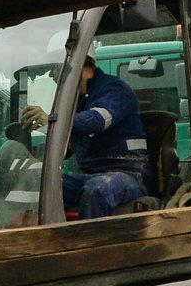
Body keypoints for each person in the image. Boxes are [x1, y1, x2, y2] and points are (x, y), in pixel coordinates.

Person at [20, 54, 149, 219]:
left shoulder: (115, 89)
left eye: (54, 67)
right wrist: (21, 153)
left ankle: (91, 243)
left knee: (98, 189)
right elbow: (64, 147)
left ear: (76, 64)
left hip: (128, 175)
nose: (51, 75)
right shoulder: (76, 102)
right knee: (42, 185)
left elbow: (98, 120)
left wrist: (52, 121)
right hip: (88, 176)